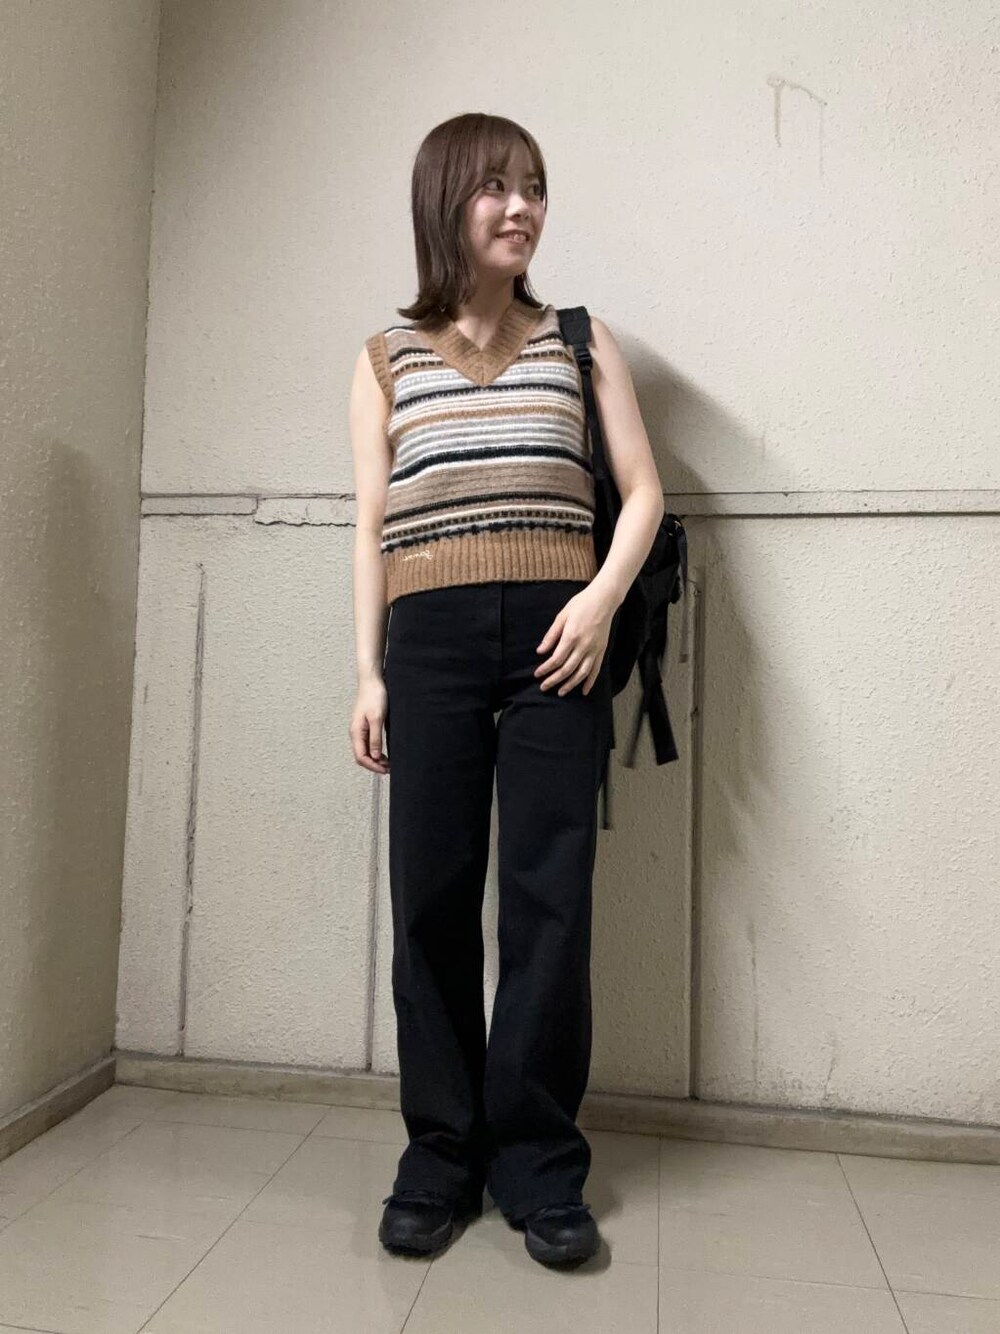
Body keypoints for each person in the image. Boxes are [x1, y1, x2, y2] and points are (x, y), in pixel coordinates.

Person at [347, 112, 665, 1268]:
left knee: (548, 903)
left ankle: (537, 1161)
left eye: (533, 185)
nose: (521, 205)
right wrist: (368, 670)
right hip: (427, 645)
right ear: (445, 200)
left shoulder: (581, 342)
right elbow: (370, 526)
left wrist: (598, 600)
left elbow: (643, 491)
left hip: (555, 640)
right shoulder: (385, 357)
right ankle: (439, 1153)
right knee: (429, 901)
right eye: (494, 186)